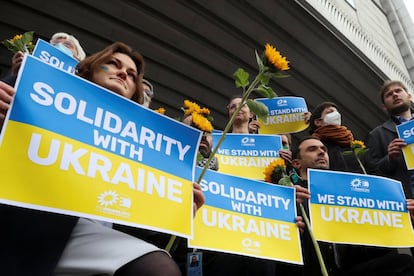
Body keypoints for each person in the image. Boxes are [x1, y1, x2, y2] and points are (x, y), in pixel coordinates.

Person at [0, 42, 205, 276]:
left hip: (88, 242)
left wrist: (175, 209)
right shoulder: (32, 88)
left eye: (131, 75)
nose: (122, 74)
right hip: (23, 222)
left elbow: (136, 226)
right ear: (89, 68)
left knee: (158, 268)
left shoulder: (143, 144)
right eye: (113, 64)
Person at [291, 136, 414, 276]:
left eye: (323, 149)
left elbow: (373, 247)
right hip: (313, 268)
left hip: (350, 267)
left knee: (402, 262)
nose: (321, 152)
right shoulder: (292, 196)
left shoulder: (347, 194)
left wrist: (402, 217)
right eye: (312, 149)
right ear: (296, 163)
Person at [365, 80, 414, 198]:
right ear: (384, 107)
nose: (395, 95)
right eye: (389, 94)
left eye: (398, 91)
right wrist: (389, 159)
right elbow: (372, 174)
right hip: (405, 202)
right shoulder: (376, 135)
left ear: (409, 96)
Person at [1, 32, 86, 86]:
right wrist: (17, 76)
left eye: (67, 45)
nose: (59, 46)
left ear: (79, 58)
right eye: (54, 45)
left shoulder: (84, 86)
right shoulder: (27, 72)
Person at [308, 102, 363, 174]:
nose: (336, 114)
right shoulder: (316, 144)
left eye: (336, 112)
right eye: (330, 112)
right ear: (318, 122)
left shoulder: (350, 143)